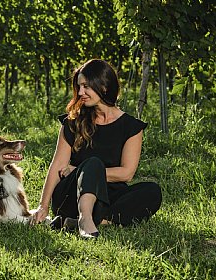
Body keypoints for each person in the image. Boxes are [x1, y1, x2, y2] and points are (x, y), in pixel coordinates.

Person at [31, 59, 162, 239]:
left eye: (86, 86)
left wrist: (80, 170)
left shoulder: (131, 127)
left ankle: (85, 220)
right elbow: (57, 166)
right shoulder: (73, 122)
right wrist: (43, 206)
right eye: (79, 87)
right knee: (93, 163)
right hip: (71, 195)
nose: (81, 92)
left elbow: (126, 173)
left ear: (104, 86)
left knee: (152, 192)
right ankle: (85, 218)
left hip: (107, 195)